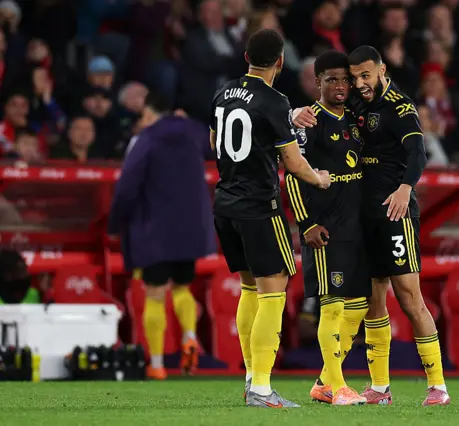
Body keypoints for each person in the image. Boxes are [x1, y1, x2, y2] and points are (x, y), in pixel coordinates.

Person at [294, 45, 450, 406]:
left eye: (366, 75)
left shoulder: (400, 106)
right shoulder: (355, 105)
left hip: (395, 215)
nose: (360, 83)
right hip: (362, 217)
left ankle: (438, 385)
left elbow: (418, 153)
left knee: (411, 298)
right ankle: (379, 387)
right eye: (355, 77)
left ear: (381, 70)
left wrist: (405, 189)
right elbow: (318, 112)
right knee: (372, 303)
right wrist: (295, 112)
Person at [210, 29, 331, 409]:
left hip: (225, 203)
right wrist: (319, 178)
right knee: (274, 292)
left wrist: (283, 121)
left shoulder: (223, 92)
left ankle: (251, 380)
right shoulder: (274, 99)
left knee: (251, 289)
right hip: (260, 208)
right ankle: (262, 389)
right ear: (280, 61)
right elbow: (294, 163)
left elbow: (216, 139)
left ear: (246, 56)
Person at [107, 92, 215, 381]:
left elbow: (128, 186)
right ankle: (190, 336)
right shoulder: (194, 131)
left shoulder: (147, 140)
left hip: (154, 230)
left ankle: (156, 363)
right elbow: (218, 150)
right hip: (191, 228)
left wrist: (115, 224)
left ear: (148, 113)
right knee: (182, 288)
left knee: (155, 294)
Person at [284, 50, 369, 406]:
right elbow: (291, 176)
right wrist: (306, 223)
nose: (339, 86)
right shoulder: (309, 122)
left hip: (356, 227)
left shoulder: (354, 118)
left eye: (344, 79)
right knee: (330, 305)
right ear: (317, 82)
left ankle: (323, 380)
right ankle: (336, 385)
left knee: (360, 304)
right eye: (331, 79)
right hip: (325, 228)